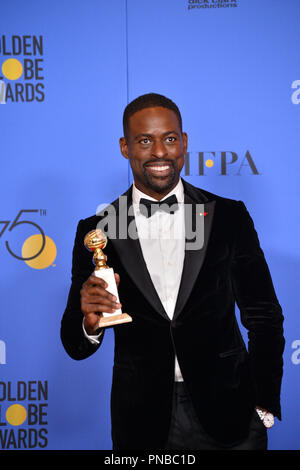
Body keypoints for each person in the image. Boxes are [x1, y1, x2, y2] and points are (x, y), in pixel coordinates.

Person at [61, 93, 285, 450]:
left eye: (169, 138)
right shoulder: (98, 230)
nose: (160, 152)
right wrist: (88, 324)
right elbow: (75, 345)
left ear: (184, 142)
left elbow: (264, 315)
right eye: (145, 140)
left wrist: (263, 400)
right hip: (142, 422)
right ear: (125, 147)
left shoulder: (228, 216)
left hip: (231, 413)